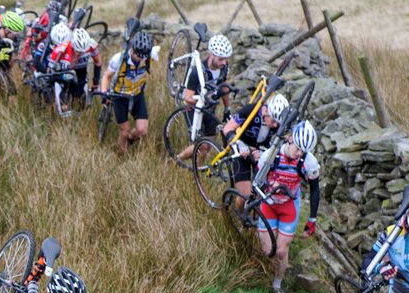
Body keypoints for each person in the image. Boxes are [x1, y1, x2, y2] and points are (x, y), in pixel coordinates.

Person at [257, 121, 320, 293]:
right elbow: (257, 181)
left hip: (289, 205)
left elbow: (315, 189)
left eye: (303, 151)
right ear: (290, 138)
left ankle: (277, 283)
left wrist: (312, 219)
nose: (299, 154)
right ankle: (263, 271)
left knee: (281, 250)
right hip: (269, 203)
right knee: (267, 250)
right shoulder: (271, 154)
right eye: (298, 148)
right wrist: (271, 184)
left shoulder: (309, 162)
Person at [219, 91, 288, 206]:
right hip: (242, 151)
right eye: (274, 121)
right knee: (244, 197)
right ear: (266, 110)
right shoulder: (251, 110)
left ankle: (253, 218)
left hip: (260, 153)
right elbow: (227, 128)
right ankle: (238, 217)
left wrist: (263, 152)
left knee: (257, 196)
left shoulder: (277, 122)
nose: (276, 126)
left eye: (278, 122)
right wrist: (239, 145)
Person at [173, 33, 233, 164]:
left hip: (209, 109)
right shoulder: (197, 72)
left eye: (226, 59)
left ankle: (195, 171)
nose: (224, 62)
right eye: (221, 59)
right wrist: (204, 99)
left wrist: (227, 108)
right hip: (193, 109)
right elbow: (187, 97)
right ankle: (177, 160)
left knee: (208, 145)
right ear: (211, 55)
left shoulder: (224, 67)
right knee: (201, 146)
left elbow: (224, 88)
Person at [99, 31, 159, 153]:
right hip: (119, 97)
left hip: (137, 95)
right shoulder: (118, 59)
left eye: (144, 56)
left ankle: (130, 140)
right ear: (132, 49)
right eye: (138, 55)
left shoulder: (150, 54)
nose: (141, 58)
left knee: (142, 131)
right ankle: (121, 155)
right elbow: (106, 77)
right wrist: (104, 93)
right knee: (124, 131)